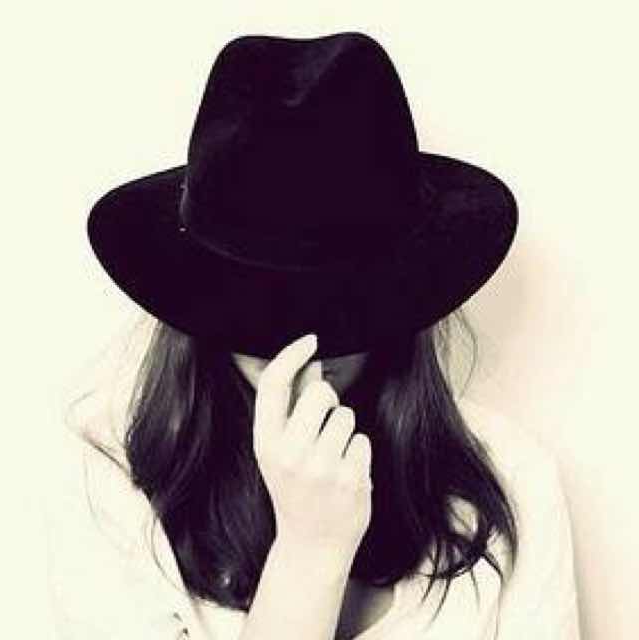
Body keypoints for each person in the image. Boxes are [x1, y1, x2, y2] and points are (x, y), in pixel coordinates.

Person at [43, 31, 581, 640]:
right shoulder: (108, 487)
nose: (300, 339)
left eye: (335, 299)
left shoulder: (512, 485)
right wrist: (309, 553)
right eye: (262, 299)